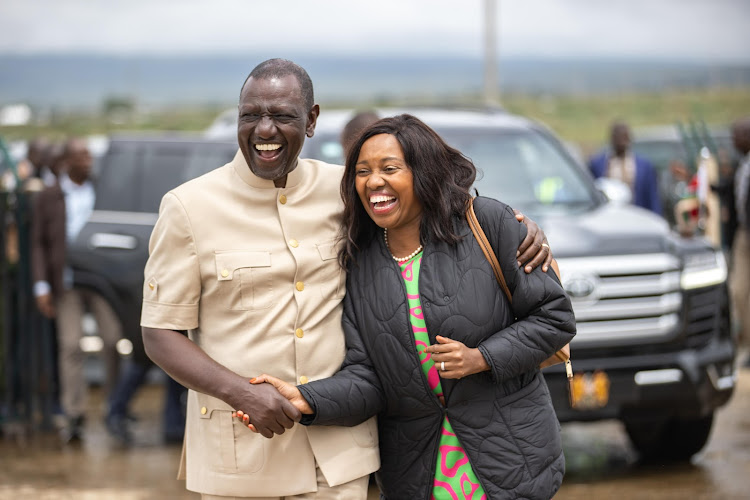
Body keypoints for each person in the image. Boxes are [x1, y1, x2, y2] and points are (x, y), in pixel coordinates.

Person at [140, 58, 553, 499]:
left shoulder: (347, 191)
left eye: (282, 116)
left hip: (339, 457)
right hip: (243, 456)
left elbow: (435, 212)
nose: (264, 130)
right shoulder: (188, 207)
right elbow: (159, 333)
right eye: (251, 115)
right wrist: (241, 393)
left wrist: (519, 227)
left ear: (312, 120)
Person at [250, 114, 576, 499]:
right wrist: (308, 399)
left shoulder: (488, 223)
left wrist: (482, 357)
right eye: (362, 171)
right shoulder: (359, 261)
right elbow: (370, 376)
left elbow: (554, 319)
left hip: (510, 460)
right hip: (417, 472)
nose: (374, 182)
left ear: (423, 172)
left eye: (390, 168)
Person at [31, 137, 122, 443]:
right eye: (81, 156)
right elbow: (39, 244)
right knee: (71, 345)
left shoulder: (103, 191)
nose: (88, 161)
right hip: (66, 280)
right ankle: (74, 413)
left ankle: (114, 405)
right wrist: (42, 285)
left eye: (89, 156)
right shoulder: (50, 196)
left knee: (112, 339)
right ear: (67, 161)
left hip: (101, 281)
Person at [589, 120, 662, 215]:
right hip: (609, 215)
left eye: (624, 137)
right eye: (618, 137)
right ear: (612, 139)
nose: (621, 142)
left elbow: (652, 198)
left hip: (637, 215)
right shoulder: (598, 164)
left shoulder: (644, 166)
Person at [728, 117, 750, 365]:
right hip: (744, 234)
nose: (735, 139)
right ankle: (745, 343)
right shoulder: (742, 164)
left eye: (740, 134)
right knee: (738, 291)